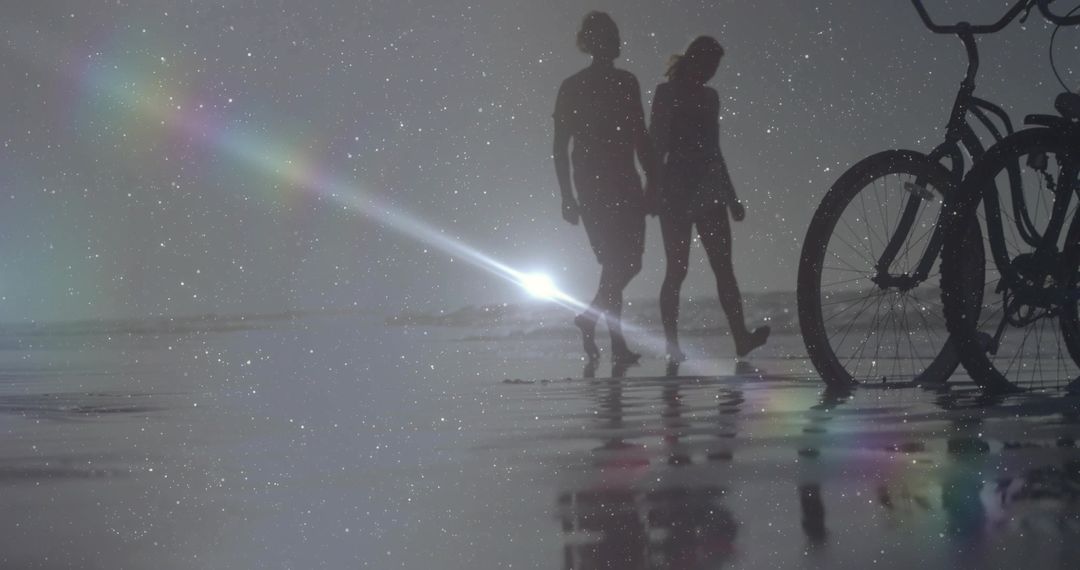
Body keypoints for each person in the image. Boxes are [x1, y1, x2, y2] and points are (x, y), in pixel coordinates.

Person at [648, 36, 768, 363]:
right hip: (674, 189)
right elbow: (656, 145)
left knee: (723, 267)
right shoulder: (666, 93)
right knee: (677, 268)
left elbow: (714, 149)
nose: (712, 73)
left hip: (709, 189)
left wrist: (732, 198)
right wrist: (652, 190)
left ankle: (740, 337)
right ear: (693, 59)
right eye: (709, 64)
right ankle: (672, 345)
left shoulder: (711, 97)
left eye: (716, 67)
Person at [553, 11, 657, 365]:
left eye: (616, 35)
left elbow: (640, 135)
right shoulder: (572, 86)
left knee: (627, 263)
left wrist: (653, 179)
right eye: (609, 36)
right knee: (616, 262)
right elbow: (559, 146)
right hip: (593, 184)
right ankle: (615, 342)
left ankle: (591, 319)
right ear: (592, 42)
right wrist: (566, 195)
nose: (616, 41)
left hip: (626, 180)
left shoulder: (627, 82)